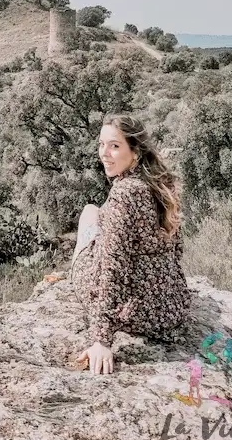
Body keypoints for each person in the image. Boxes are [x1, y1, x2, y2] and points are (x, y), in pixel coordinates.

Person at [71, 113, 191, 375]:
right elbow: (176, 247)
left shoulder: (125, 193)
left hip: (134, 311)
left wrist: (101, 340)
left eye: (114, 146)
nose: (105, 153)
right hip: (168, 308)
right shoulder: (161, 182)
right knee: (100, 214)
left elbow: (113, 267)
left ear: (134, 151)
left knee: (90, 212)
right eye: (102, 144)